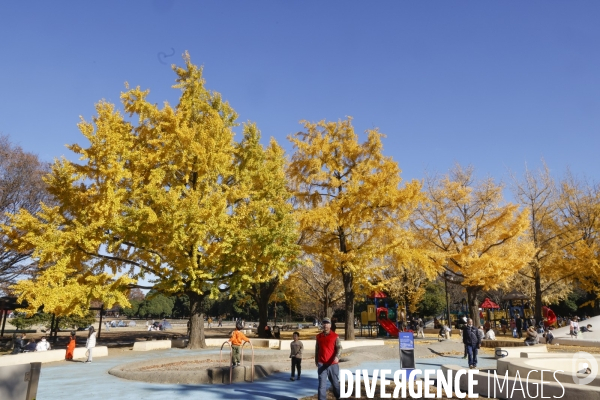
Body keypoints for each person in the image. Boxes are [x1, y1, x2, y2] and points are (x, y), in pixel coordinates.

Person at [315, 317, 341, 400]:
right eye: (324, 323)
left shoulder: (335, 336)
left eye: (327, 323)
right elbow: (317, 349)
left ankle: (338, 396)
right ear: (322, 324)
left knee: (335, 383)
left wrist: (337, 356)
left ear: (330, 325)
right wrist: (316, 360)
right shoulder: (319, 337)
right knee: (321, 385)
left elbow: (339, 348)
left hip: (332, 364)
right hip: (322, 363)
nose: (325, 325)